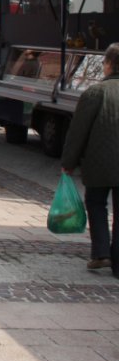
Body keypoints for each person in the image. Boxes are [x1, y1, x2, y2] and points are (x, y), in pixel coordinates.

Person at [61, 42, 119, 275]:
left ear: (107, 64)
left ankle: (101, 253)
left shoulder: (95, 92)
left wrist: (68, 163)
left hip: (99, 163)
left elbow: (78, 132)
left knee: (96, 204)